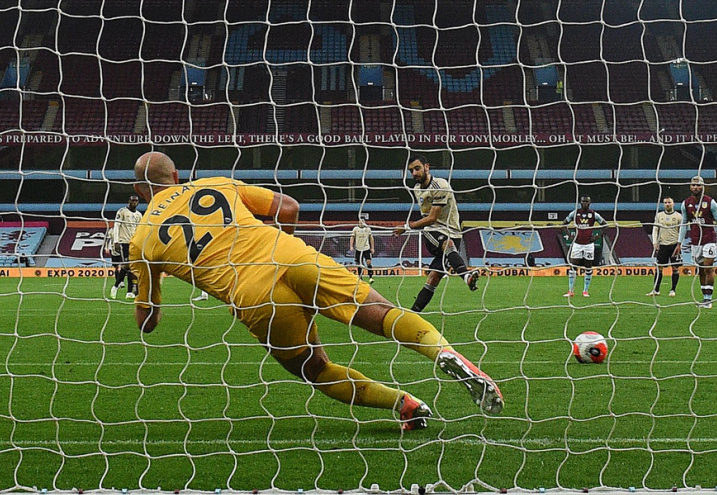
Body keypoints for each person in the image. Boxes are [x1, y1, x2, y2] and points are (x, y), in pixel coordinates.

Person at [128, 152, 503, 430]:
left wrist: (153, 287)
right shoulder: (215, 184)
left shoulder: (142, 240)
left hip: (252, 296)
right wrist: (280, 249)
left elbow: (147, 320)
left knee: (314, 368)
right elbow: (288, 207)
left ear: (138, 189)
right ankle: (445, 353)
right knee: (379, 313)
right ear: (176, 175)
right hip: (288, 254)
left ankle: (405, 404)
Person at [392, 155, 480, 313]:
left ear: (427, 167)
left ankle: (413, 314)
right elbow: (430, 220)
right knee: (447, 244)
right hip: (433, 232)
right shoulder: (417, 190)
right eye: (411, 170)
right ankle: (466, 276)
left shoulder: (440, 185)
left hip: (453, 233)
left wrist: (407, 226)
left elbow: (432, 216)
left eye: (417, 168)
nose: (414, 173)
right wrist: (410, 226)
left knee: (434, 278)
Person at [676, 176, 717, 309]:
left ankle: (709, 300)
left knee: (707, 267)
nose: (696, 187)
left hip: (709, 240)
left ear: (703, 187)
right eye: (693, 185)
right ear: (690, 187)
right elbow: (683, 224)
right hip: (695, 241)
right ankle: (705, 298)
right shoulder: (686, 204)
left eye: (698, 185)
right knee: (700, 270)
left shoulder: (711, 202)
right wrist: (679, 243)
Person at [561, 196, 607, 298]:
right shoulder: (575, 213)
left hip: (589, 245)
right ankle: (570, 290)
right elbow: (564, 224)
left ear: (590, 202)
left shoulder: (594, 214)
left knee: (588, 266)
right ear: (580, 202)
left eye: (587, 201)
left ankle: (585, 291)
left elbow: (605, 225)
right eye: (583, 201)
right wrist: (570, 235)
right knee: (573, 266)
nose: (585, 203)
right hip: (577, 244)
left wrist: (597, 237)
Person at [107, 195, 142, 300]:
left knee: (131, 266)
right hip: (124, 241)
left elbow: (140, 230)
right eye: (132, 201)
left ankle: (129, 292)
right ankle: (116, 287)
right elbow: (117, 225)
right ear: (129, 201)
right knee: (127, 263)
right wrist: (116, 241)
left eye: (136, 201)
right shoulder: (122, 211)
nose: (134, 202)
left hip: (134, 243)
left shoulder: (139, 215)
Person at [648, 196, 683, 297]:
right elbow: (655, 229)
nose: (667, 204)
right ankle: (656, 290)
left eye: (669, 202)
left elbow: (682, 231)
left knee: (675, 268)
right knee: (659, 267)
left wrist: (680, 244)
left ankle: (673, 290)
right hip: (662, 245)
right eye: (665, 202)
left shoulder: (679, 216)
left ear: (673, 204)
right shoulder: (659, 216)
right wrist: (655, 242)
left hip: (674, 245)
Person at [350, 215, 375, 282]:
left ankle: (370, 277)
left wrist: (372, 248)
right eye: (360, 221)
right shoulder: (355, 229)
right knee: (359, 264)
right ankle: (360, 278)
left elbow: (371, 238)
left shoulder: (368, 229)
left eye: (363, 221)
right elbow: (352, 237)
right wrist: (351, 246)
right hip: (358, 249)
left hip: (366, 248)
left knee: (368, 262)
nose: (361, 223)